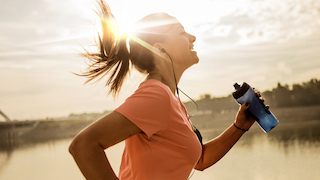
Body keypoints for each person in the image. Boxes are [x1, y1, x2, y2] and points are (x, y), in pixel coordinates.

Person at [69, 0, 257, 179]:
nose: (193, 37)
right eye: (182, 32)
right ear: (159, 48)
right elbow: (83, 145)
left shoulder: (170, 99)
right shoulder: (156, 96)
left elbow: (200, 160)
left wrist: (239, 126)